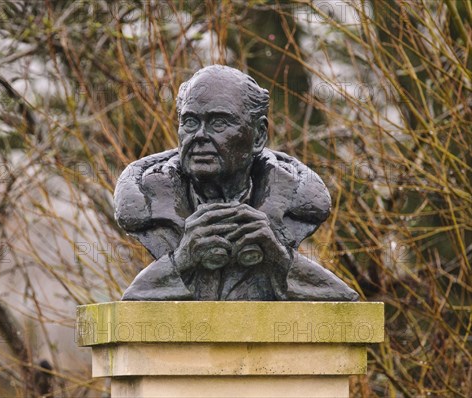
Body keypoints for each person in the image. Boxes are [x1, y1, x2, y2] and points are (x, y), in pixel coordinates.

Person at [114, 65, 358, 301]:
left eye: (218, 123)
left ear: (258, 135)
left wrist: (278, 259)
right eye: (189, 121)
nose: (199, 135)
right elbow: (132, 300)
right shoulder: (149, 203)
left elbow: (343, 300)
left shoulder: (294, 206)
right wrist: (181, 260)